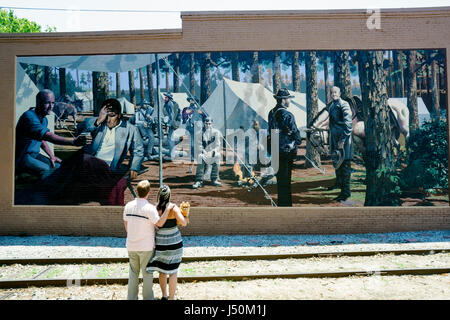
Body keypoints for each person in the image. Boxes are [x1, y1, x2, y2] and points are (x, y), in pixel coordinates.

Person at [24, 98, 144, 206]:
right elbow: (81, 137)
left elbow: (138, 150)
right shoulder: (93, 123)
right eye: (105, 114)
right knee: (72, 166)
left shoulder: (130, 130)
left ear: (118, 115)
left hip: (107, 166)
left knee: (84, 160)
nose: (108, 119)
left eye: (111, 115)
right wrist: (97, 122)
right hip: (87, 164)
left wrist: (134, 167)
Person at [15, 89, 87, 180]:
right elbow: (48, 136)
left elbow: (42, 140)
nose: (51, 106)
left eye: (52, 103)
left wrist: (51, 156)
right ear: (38, 103)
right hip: (22, 157)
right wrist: (73, 141)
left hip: (34, 155)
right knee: (46, 170)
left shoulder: (44, 119)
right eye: (47, 103)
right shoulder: (29, 117)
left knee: (57, 166)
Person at [123, 180, 171, 300]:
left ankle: (131, 298)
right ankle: (148, 298)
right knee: (147, 274)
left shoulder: (128, 206)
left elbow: (126, 225)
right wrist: (167, 210)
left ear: (137, 191)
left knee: (133, 273)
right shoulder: (150, 208)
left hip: (131, 245)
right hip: (146, 247)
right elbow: (159, 223)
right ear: (148, 193)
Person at [146, 185, 187, 300]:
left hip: (161, 244)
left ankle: (164, 295)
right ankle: (171, 298)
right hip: (175, 243)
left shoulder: (155, 208)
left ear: (159, 195)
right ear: (169, 195)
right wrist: (185, 215)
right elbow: (183, 223)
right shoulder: (173, 208)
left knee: (162, 271)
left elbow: (154, 224)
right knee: (173, 272)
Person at [268, 88, 302, 206]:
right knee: (286, 179)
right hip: (286, 150)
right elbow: (296, 134)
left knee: (280, 179)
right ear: (283, 100)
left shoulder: (271, 112)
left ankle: (281, 203)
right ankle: (287, 205)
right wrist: (298, 140)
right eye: (288, 99)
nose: (289, 101)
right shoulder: (287, 114)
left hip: (275, 149)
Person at [328, 86, 353, 202]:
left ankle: (346, 193)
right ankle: (339, 186)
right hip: (335, 141)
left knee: (345, 167)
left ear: (340, 93)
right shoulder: (332, 105)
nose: (334, 94)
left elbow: (348, 125)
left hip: (344, 142)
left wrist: (342, 140)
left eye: (335, 92)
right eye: (332, 92)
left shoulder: (344, 105)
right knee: (338, 165)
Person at [192, 117, 222, 189]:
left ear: (211, 124)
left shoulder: (216, 132)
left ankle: (214, 179)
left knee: (218, 156)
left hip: (212, 153)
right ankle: (199, 180)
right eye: (206, 123)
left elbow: (218, 145)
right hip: (204, 153)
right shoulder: (199, 133)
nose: (208, 125)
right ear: (204, 123)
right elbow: (198, 145)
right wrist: (204, 151)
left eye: (209, 124)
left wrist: (212, 151)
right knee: (200, 156)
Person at [182, 96, 206, 163]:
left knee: (198, 143)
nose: (191, 101)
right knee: (192, 144)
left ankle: (200, 156)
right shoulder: (186, 109)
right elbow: (183, 118)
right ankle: (192, 157)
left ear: (196, 101)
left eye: (193, 100)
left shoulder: (200, 109)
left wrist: (202, 113)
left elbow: (206, 116)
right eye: (190, 100)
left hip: (198, 128)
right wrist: (186, 113)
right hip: (190, 128)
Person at [162, 93, 181, 159]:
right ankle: (171, 153)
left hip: (173, 123)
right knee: (170, 138)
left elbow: (172, 114)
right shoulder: (167, 104)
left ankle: (172, 154)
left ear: (169, 98)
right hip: (172, 122)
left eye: (166, 97)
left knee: (170, 139)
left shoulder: (170, 103)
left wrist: (169, 124)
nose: (165, 98)